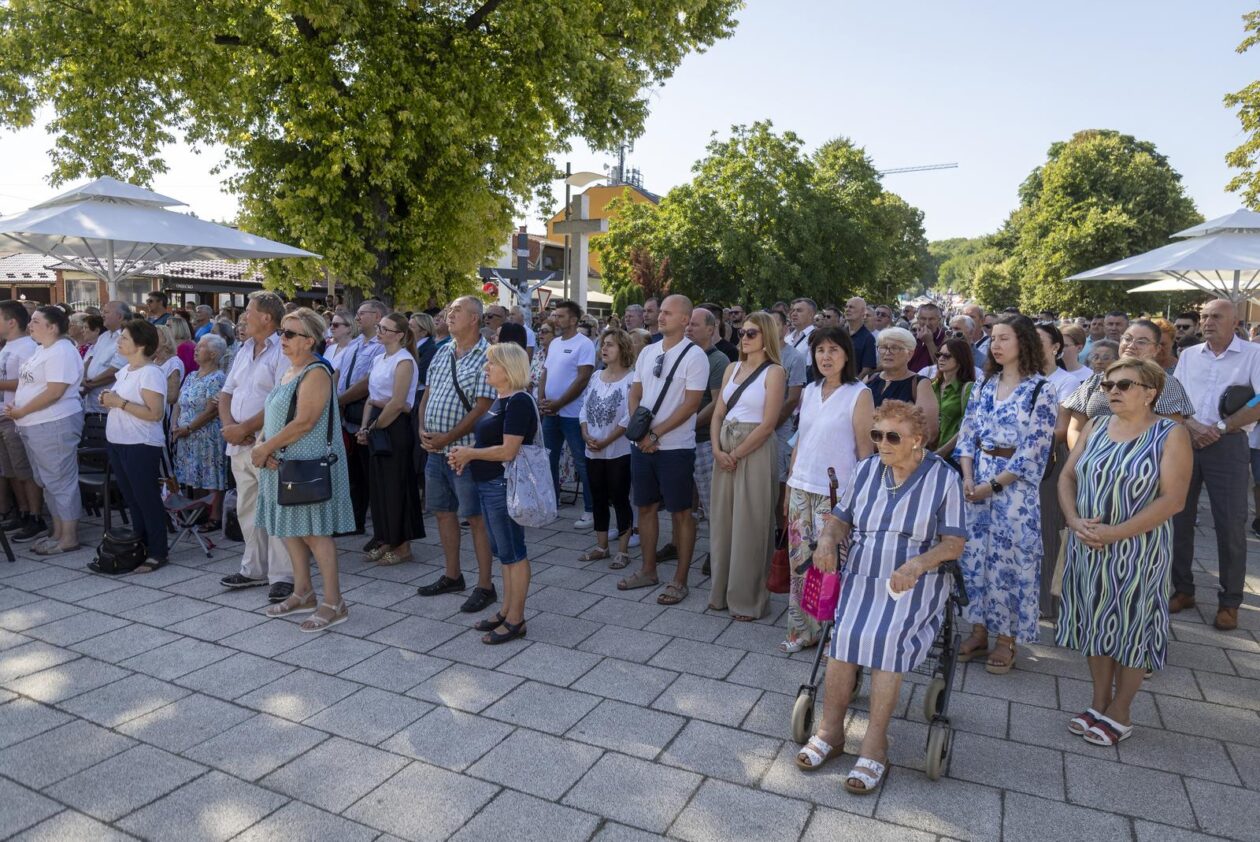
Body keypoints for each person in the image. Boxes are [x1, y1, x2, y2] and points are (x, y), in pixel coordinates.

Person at [796, 400, 966, 794]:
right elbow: (840, 518)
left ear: (917, 441)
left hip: (914, 580)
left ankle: (875, 745)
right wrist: (826, 540)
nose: (882, 444)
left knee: (886, 640)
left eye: (892, 437)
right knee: (844, 640)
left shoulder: (944, 478)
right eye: (877, 435)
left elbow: (953, 544)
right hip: (862, 573)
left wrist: (917, 565)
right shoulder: (867, 470)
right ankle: (831, 731)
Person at [1057, 357, 1191, 744]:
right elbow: (1068, 475)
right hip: (1088, 546)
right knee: (1095, 623)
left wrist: (1115, 534)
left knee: (1132, 629)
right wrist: (1073, 519)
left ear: (1150, 393)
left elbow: (1174, 500)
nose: (1112, 392)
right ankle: (1099, 701)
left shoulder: (1170, 434)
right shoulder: (1096, 426)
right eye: (1107, 386)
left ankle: (1122, 709)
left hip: (1139, 551)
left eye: (1124, 385)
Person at [954, 314, 1057, 673]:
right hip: (977, 478)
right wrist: (967, 476)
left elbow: (1035, 450)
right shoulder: (984, 384)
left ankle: (1005, 638)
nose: (995, 345)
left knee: (1009, 560)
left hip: (1014, 490)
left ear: (1023, 342)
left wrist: (994, 485)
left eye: (1004, 338)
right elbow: (967, 433)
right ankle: (979, 629)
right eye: (993, 339)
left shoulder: (1041, 390)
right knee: (975, 557)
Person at [253, 308, 355, 632]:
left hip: (305, 464)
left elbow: (305, 422)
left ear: (310, 340)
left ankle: (334, 602)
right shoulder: (289, 370)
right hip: (280, 461)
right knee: (289, 529)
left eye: (289, 334)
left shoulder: (316, 372)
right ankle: (303, 592)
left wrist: (266, 448)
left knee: (314, 533)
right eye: (282, 331)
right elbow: (273, 415)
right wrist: (262, 444)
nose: (281, 338)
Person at [780, 326, 874, 651]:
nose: (826, 356)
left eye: (833, 349)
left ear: (846, 354)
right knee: (799, 563)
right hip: (801, 487)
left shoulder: (859, 394)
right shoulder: (809, 391)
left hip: (836, 493)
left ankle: (833, 632)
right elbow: (801, 441)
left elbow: (865, 453)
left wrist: (860, 500)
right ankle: (802, 631)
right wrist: (790, 485)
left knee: (829, 564)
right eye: (820, 350)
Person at [1170, 299, 1260, 631]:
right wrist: (1194, 427)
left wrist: (1221, 428)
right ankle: (1183, 589)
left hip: (1230, 444)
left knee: (1230, 525)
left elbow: (1258, 401)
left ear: (1235, 321)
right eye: (1204, 316)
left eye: (1216, 316)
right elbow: (1173, 398)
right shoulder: (1190, 355)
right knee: (1178, 517)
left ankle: (1230, 601)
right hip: (1186, 439)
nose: (1208, 322)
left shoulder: (1253, 355)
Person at [618, 294, 709, 605]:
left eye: (669, 313)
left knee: (682, 512)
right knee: (644, 506)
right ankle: (648, 570)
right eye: (661, 313)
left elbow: (692, 404)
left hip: (675, 447)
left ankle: (680, 579)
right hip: (642, 445)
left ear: (685, 320)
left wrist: (655, 434)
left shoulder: (695, 356)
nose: (661, 317)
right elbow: (636, 391)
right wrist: (637, 425)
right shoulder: (648, 352)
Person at [447, 343, 540, 644]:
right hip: (490, 486)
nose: (486, 369)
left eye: (491, 364)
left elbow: (508, 450)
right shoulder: (502, 400)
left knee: (513, 553)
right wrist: (466, 455)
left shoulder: (519, 402)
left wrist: (470, 454)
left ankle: (516, 619)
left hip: (503, 486)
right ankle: (506, 610)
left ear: (509, 368)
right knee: (504, 553)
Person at [416, 295, 499, 613]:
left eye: (457, 311)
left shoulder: (488, 355)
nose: (449, 315)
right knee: (443, 512)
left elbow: (483, 406)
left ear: (475, 318)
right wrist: (423, 430)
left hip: (467, 452)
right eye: (449, 311)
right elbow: (428, 394)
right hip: (436, 451)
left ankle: (485, 585)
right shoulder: (442, 352)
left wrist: (447, 438)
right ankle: (453, 575)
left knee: (476, 519)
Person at [708, 312, 786, 621]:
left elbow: (768, 424)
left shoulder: (775, 372)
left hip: (752, 450)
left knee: (751, 525)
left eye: (751, 333)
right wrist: (717, 449)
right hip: (724, 446)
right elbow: (717, 413)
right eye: (742, 332)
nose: (744, 337)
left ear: (766, 337)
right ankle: (721, 592)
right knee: (723, 522)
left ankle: (748, 599)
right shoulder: (731, 368)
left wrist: (736, 454)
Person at [217, 290, 294, 603]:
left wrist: (246, 428)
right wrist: (229, 428)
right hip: (239, 443)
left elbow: (281, 398)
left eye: (248, 311)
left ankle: (283, 576)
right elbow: (226, 393)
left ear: (266, 317)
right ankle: (254, 569)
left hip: (267, 442)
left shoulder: (283, 350)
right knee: (247, 506)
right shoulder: (243, 348)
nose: (243, 316)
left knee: (275, 509)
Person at [7, 306, 84, 550]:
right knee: (47, 481)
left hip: (54, 423)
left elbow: (54, 392)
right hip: (34, 424)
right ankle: (58, 532)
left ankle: (69, 537)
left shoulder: (62, 351)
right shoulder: (42, 350)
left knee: (60, 480)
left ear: (52, 327)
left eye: (36, 321)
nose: (30, 324)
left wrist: (22, 410)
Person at [98, 318, 168, 569]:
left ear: (140, 345)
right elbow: (119, 399)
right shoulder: (126, 370)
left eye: (125, 338)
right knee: (132, 498)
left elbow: (155, 413)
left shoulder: (150, 372)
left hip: (140, 443)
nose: (119, 341)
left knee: (146, 498)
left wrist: (120, 403)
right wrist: (107, 399)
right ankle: (140, 544)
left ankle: (158, 551)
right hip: (118, 441)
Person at [1062, 320, 1196, 450]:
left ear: (1156, 349)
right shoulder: (1096, 380)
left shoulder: (1165, 384)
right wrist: (1083, 459)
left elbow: (1167, 435)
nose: (1131, 345)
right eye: (1127, 339)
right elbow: (1075, 428)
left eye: (1142, 342)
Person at [357, 312, 425, 565]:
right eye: (380, 327)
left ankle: (402, 544)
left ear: (399, 335)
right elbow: (371, 397)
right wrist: (364, 427)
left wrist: (373, 428)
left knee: (396, 486)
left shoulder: (404, 361)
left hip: (393, 427)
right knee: (379, 486)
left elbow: (398, 403)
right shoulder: (379, 358)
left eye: (385, 328)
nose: (380, 331)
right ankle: (385, 537)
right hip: (377, 421)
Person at [578, 329, 635, 568]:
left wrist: (606, 440)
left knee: (620, 498)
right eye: (603, 344)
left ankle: (623, 550)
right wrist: (585, 434)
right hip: (593, 448)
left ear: (622, 348)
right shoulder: (596, 376)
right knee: (598, 496)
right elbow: (584, 408)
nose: (604, 348)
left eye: (610, 345)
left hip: (618, 450)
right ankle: (601, 546)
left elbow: (629, 417)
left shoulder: (632, 379)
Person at [538, 300, 596, 528]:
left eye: (560, 316)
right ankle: (551, 505)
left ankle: (591, 510)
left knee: (582, 461)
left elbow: (582, 379)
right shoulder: (554, 344)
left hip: (573, 413)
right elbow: (545, 372)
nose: (556, 320)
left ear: (573, 319)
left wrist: (559, 403)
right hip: (551, 412)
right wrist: (542, 400)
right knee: (547, 459)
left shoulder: (585, 344)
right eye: (555, 315)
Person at [337, 300, 388, 539]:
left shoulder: (382, 346)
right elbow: (340, 373)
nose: (357, 317)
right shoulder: (354, 344)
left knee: (371, 476)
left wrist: (340, 400)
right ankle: (354, 521)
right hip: (347, 414)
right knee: (353, 474)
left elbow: (368, 382)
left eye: (362, 313)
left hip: (366, 414)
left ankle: (381, 530)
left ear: (377, 316)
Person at [172, 333, 229, 532]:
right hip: (185, 435)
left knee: (211, 475)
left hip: (206, 436)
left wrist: (189, 428)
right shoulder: (191, 375)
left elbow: (211, 411)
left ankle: (214, 516)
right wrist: (174, 426)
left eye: (202, 347)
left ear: (213, 354)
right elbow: (179, 403)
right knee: (193, 475)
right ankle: (197, 511)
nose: (196, 349)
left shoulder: (218, 378)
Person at [686, 307, 731, 531]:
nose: (688, 328)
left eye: (694, 324)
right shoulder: (684, 355)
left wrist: (687, 424)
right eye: (688, 323)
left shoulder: (718, 360)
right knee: (683, 502)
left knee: (711, 502)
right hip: (679, 439)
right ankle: (678, 544)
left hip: (703, 440)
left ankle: (716, 554)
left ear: (710, 329)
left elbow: (716, 403)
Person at [0, 301, 40, 535]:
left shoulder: (26, 347)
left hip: (16, 415)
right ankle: (23, 512)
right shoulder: (8, 347)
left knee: (24, 469)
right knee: (11, 469)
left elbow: (28, 382)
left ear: (12, 322)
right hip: (4, 414)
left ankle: (35, 516)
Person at [866, 327, 939, 443]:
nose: (887, 353)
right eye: (883, 347)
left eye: (895, 348)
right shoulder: (870, 379)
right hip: (866, 452)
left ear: (910, 354)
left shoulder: (920, 384)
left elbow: (929, 431)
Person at [930, 337, 976, 462]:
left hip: (954, 457)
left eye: (947, 356)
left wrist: (943, 451)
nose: (941, 359)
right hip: (928, 452)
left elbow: (968, 426)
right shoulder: (931, 386)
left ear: (960, 359)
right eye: (939, 354)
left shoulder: (968, 388)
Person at [83, 300, 129, 416]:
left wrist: (88, 385)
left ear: (119, 316)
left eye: (106, 312)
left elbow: (115, 371)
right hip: (91, 404)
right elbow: (90, 359)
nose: (102, 315)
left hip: (107, 408)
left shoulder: (126, 339)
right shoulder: (103, 336)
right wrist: (84, 378)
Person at [843, 296, 878, 378]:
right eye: (846, 307)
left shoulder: (868, 338)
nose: (847, 309)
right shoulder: (838, 334)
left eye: (851, 307)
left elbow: (866, 370)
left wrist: (853, 385)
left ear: (863, 311)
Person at [908, 302, 946, 372]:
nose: (927, 323)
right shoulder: (910, 337)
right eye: (923, 319)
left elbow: (941, 364)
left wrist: (929, 342)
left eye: (931, 319)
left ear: (939, 320)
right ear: (918, 319)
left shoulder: (945, 339)